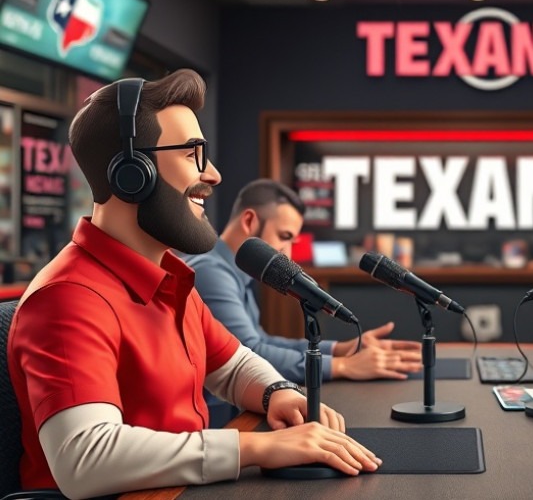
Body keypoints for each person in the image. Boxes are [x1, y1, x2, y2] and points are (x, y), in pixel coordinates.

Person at [7, 70, 379, 499]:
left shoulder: (169, 275)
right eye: (192, 154)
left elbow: (234, 366)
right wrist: (255, 446)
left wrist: (277, 391)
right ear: (132, 172)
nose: (214, 175)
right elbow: (84, 458)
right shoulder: (68, 298)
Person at [181, 179, 422, 423]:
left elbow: (260, 340)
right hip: (216, 421)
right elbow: (250, 351)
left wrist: (338, 349)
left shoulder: (232, 271)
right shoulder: (212, 272)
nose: (288, 253)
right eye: (283, 236)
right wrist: (343, 367)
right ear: (249, 221)